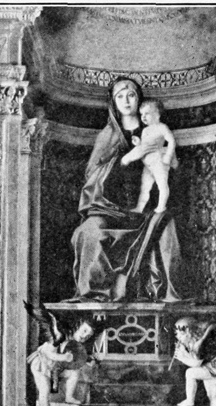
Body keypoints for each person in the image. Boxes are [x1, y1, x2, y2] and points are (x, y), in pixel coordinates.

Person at [70, 77, 183, 302]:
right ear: (113, 102)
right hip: (109, 209)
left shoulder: (153, 130)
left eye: (131, 95)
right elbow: (94, 173)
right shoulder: (108, 135)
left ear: (139, 100)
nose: (126, 101)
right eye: (120, 96)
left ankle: (162, 296)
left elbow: (171, 166)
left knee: (166, 227)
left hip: (145, 209)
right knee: (89, 230)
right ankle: (96, 296)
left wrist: (163, 160)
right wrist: (124, 161)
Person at [27, 320, 96, 406]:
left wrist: (88, 360)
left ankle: (69, 396)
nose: (85, 336)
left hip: (54, 367)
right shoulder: (60, 336)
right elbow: (48, 353)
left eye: (89, 335)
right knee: (44, 389)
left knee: (74, 372)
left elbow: (78, 357)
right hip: (41, 364)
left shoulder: (75, 343)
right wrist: (63, 357)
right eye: (84, 330)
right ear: (76, 327)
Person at [120, 99, 177, 214]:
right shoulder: (145, 130)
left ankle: (161, 206)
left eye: (147, 113)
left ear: (157, 114)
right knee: (145, 187)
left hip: (159, 161)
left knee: (162, 184)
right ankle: (139, 208)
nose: (143, 117)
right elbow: (145, 146)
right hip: (147, 164)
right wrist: (138, 143)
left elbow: (171, 141)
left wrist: (168, 156)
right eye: (142, 114)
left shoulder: (162, 127)